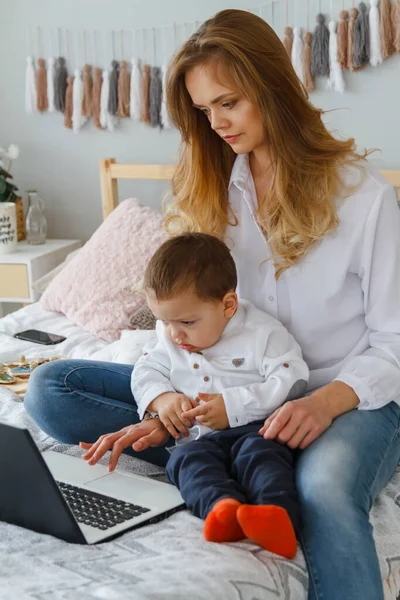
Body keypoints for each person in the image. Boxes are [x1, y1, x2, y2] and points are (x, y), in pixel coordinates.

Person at [23, 8, 400, 600]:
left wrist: (325, 404)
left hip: (342, 395)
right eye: (203, 110)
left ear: (272, 87)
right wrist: (163, 399)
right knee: (50, 388)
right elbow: (179, 322)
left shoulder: (364, 197)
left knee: (323, 488)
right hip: (226, 390)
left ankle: (229, 455)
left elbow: (393, 343)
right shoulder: (212, 187)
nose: (217, 122)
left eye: (229, 102)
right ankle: (222, 447)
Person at [131, 232, 308, 557]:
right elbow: (145, 369)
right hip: (199, 438)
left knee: (262, 458)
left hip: (256, 429)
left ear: (227, 305)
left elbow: (293, 378)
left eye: (186, 322)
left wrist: (234, 406)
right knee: (185, 462)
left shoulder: (262, 333)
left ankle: (277, 517)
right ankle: (222, 509)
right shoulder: (170, 335)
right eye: (165, 322)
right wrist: (162, 398)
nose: (174, 334)